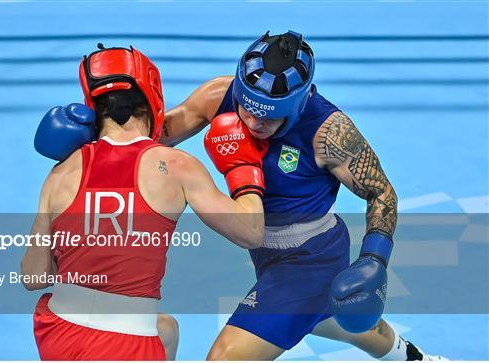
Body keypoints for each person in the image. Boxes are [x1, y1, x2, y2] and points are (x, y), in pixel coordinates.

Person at [33, 33, 446, 361]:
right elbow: (156, 133)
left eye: (268, 115)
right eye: (247, 109)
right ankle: (411, 358)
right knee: (326, 316)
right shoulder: (220, 95)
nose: (252, 121)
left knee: (228, 357)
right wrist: (95, 133)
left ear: (300, 102)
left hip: (309, 258)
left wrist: (375, 257)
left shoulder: (330, 132)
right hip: (268, 254)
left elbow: (381, 192)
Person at [23, 44, 267, 360]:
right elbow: (250, 231)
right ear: (152, 100)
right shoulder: (175, 166)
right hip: (126, 343)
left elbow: (33, 277)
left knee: (166, 330)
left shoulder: (61, 173)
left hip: (57, 333)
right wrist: (243, 168)